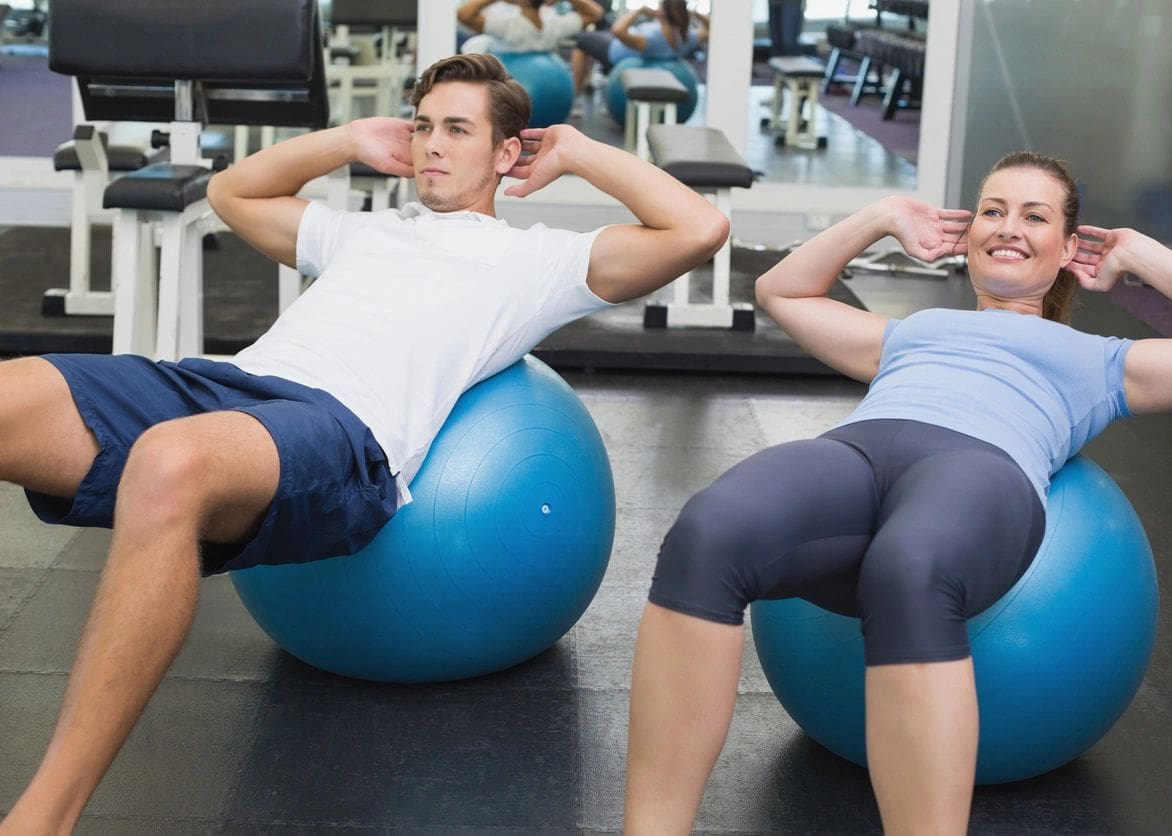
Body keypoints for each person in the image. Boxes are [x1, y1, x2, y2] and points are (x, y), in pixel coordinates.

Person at [0, 52, 728, 835]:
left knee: (169, 461)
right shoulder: (364, 234)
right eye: (422, 126)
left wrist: (578, 152)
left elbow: (700, 228)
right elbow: (229, 191)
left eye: (457, 129)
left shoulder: (540, 261)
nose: (432, 145)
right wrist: (347, 138)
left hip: (338, 432)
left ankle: (43, 818)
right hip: (226, 384)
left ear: (506, 151)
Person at [621, 150, 1172, 835]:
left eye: (1034, 216)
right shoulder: (912, 333)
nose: (1008, 226)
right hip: (861, 454)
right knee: (708, 531)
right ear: (968, 233)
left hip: (983, 466)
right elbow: (781, 292)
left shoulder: (1098, 361)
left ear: (1070, 248)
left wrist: (1143, 254)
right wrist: (881, 216)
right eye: (993, 210)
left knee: (911, 568)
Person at [569, 0, 708, 98]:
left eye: (659, 6)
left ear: (663, 13)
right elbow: (710, 29)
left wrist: (638, 10)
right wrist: (696, 14)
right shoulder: (686, 37)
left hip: (615, 51)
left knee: (581, 41)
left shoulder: (654, 38)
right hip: (622, 43)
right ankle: (588, 81)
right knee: (596, 36)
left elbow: (617, 31)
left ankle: (576, 93)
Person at [457, 0, 604, 56]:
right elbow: (596, 13)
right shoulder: (554, 24)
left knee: (459, 36)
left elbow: (463, 15)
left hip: (493, 64)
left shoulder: (510, 26)